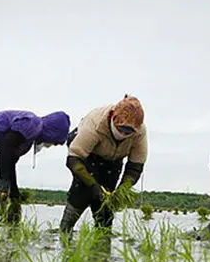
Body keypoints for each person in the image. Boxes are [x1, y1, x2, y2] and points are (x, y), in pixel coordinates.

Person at [59, 95, 148, 235]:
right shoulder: (94, 124)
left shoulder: (139, 132)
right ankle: (65, 231)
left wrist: (122, 190)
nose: (123, 134)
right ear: (113, 118)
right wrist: (93, 186)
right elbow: (73, 159)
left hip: (113, 159)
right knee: (82, 192)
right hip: (85, 155)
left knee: (105, 205)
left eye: (128, 132)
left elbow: (135, 166)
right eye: (121, 129)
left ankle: (103, 241)